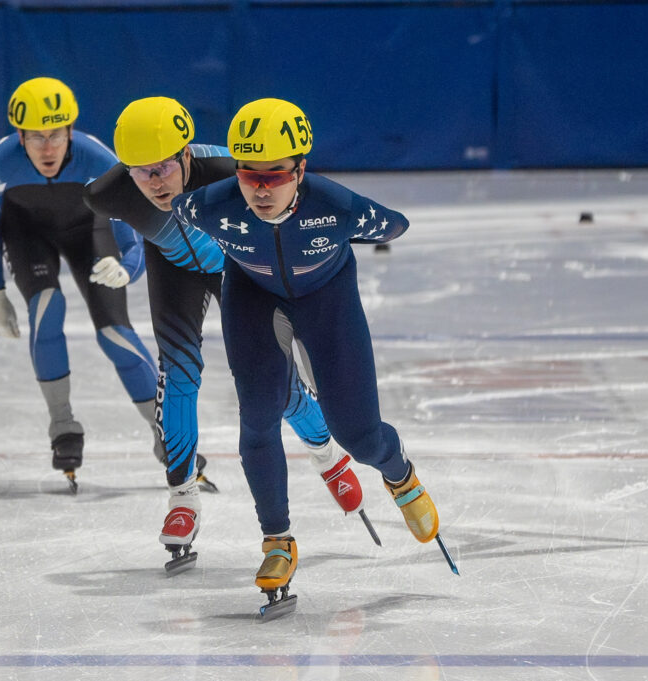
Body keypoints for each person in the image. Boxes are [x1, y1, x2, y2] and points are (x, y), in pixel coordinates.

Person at [170, 98, 450, 616]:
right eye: (248, 175)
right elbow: (171, 207)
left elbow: (396, 225)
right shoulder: (209, 205)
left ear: (301, 169)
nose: (259, 190)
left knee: (359, 437)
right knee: (258, 416)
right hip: (252, 299)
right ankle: (277, 540)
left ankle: (399, 474)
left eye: (274, 176)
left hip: (328, 300)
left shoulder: (339, 207)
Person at [84, 96, 373, 572]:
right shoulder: (110, 190)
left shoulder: (229, 169)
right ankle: (181, 496)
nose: (155, 182)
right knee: (177, 375)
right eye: (141, 171)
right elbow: (103, 217)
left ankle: (327, 455)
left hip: (240, 272)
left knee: (274, 385)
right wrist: (126, 262)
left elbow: (301, 201)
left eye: (164, 168)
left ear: (186, 155)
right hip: (173, 272)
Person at [0, 77, 161, 493]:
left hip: (89, 231)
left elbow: (135, 227)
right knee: (45, 307)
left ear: (70, 131)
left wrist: (128, 268)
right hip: (27, 237)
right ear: (19, 135)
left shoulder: (100, 160)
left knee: (114, 331)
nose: (46, 148)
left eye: (55, 135)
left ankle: (165, 431)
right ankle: (62, 426)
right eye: (36, 137)